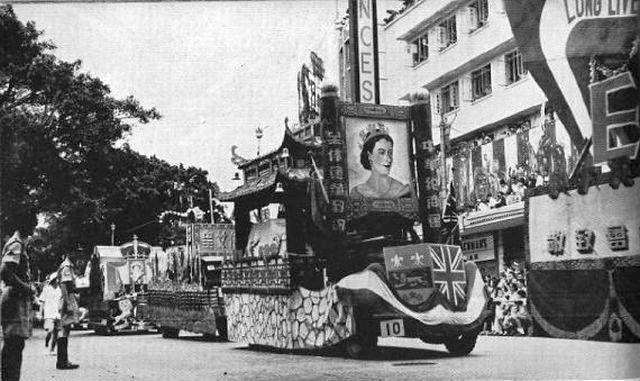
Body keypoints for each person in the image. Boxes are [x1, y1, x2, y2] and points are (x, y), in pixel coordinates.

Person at [1, 218, 37, 381]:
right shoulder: (16, 243)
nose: (34, 227)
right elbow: (6, 272)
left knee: (14, 345)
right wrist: (27, 288)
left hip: (16, 297)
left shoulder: (17, 242)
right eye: (32, 224)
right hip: (15, 299)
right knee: (13, 346)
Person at [350, 126, 411, 199]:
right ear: (369, 155)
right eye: (381, 153)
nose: (388, 159)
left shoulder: (402, 191)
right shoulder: (357, 192)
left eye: (390, 153)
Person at [56, 254, 80, 370]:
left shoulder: (68, 265)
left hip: (68, 297)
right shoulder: (66, 266)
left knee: (66, 329)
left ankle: (63, 360)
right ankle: (62, 362)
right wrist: (69, 303)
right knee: (64, 329)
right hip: (67, 299)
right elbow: (64, 285)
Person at [38, 272, 62, 356]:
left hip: (58, 314)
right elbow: (42, 301)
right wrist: (40, 313)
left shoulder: (60, 289)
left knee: (56, 333)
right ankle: (46, 346)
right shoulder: (46, 289)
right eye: (57, 279)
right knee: (50, 330)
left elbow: (61, 301)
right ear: (54, 280)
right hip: (48, 313)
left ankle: (52, 349)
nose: (58, 280)